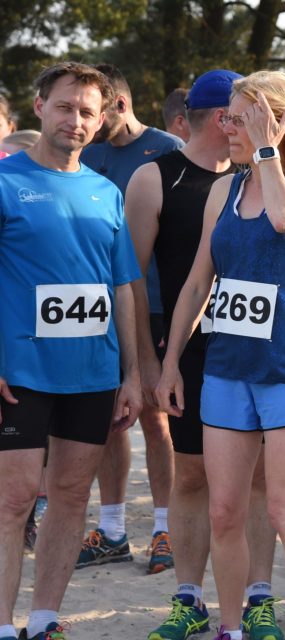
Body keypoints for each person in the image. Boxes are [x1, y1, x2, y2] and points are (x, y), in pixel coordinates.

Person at [155, 69, 285, 640]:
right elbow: (196, 285)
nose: (224, 127)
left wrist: (266, 151)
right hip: (226, 370)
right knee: (224, 511)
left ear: (276, 120)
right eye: (228, 117)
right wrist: (168, 366)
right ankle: (229, 627)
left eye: (239, 117)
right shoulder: (222, 190)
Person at [125, 69, 284, 640]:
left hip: (256, 344)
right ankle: (188, 597)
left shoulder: (259, 176)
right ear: (223, 117)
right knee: (191, 477)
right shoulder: (155, 177)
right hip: (188, 346)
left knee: (263, 478)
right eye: (242, 113)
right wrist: (145, 361)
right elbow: (133, 278)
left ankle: (259, 596)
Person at [0, 60, 143, 640]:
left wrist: (133, 375)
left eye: (88, 111)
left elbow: (125, 288)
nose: (75, 120)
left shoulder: (107, 192)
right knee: (12, 502)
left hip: (91, 373)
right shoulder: (5, 181)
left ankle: (45, 619)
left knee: (69, 496)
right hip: (20, 371)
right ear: (40, 107)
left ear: (102, 117)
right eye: (65, 106)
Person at [77, 63, 184, 575]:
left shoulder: (166, 149)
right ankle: (114, 530)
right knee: (108, 417)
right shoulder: (88, 153)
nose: (89, 123)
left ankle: (165, 529)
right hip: (100, 307)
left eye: (98, 112)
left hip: (158, 304)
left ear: (119, 104)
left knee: (154, 417)